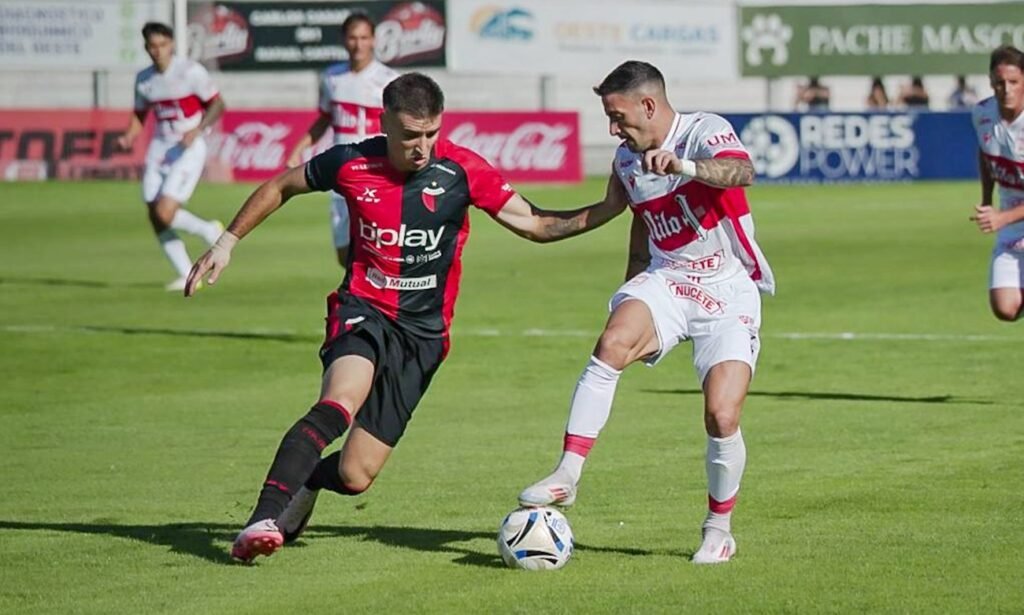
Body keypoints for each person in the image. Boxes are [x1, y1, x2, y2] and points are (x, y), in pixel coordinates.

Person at [184, 73, 628, 563]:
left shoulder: (462, 169)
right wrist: (227, 243)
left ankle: (309, 479)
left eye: (431, 134)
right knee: (339, 402)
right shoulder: (351, 161)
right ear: (385, 125)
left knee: (355, 476)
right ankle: (261, 520)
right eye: (410, 136)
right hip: (363, 310)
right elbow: (281, 185)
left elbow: (537, 223)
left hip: (423, 338)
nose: (421, 147)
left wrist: (610, 208)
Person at [517, 61, 775, 565]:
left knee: (722, 415)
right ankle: (567, 474)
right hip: (669, 280)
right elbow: (623, 214)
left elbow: (743, 171)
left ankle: (719, 529)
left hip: (728, 288)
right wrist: (536, 226)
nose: (614, 128)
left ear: (648, 106)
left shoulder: (705, 131)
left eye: (617, 116)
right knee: (612, 342)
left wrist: (685, 167)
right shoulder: (626, 161)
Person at [284, 13, 399, 269]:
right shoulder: (332, 78)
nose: (358, 44)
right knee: (343, 254)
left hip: (375, 171)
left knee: (377, 243)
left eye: (364, 38)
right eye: (353, 38)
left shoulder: (389, 79)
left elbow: (400, 126)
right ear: (344, 40)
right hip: (341, 170)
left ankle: (377, 298)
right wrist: (298, 149)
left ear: (373, 40)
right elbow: (325, 119)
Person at [118, 22, 225, 291]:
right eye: (152, 46)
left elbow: (218, 104)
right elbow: (140, 115)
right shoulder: (144, 79)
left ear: (172, 44)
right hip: (159, 148)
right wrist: (130, 135)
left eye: (162, 45)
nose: (157, 51)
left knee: (165, 211)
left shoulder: (190, 72)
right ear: (146, 48)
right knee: (154, 214)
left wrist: (198, 129)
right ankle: (186, 272)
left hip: (187, 148)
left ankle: (208, 231)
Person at [970, 45, 1024, 321]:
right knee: (1005, 308)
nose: (1006, 89)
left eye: (1013, 82)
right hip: (1013, 227)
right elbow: (985, 152)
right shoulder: (982, 114)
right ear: (991, 83)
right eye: (999, 83)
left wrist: (1002, 217)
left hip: (1009, 218)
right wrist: (986, 199)